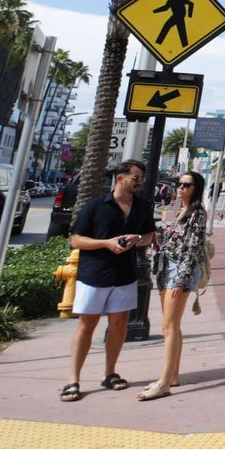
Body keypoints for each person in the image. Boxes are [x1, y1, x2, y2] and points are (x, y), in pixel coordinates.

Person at [62, 159, 153, 401]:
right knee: (87, 326)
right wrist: (106, 243)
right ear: (120, 177)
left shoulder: (143, 207)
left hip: (125, 275)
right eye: (136, 178)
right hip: (95, 275)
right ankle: (73, 380)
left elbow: (149, 235)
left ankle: (110, 373)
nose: (139, 183)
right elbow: (76, 240)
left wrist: (137, 239)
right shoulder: (96, 206)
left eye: (141, 179)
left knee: (119, 325)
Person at [141, 170, 211, 401]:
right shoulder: (178, 210)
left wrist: (182, 279)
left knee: (168, 326)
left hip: (180, 270)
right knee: (173, 326)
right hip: (165, 268)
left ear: (196, 189)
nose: (180, 187)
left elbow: (192, 248)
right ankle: (173, 375)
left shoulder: (197, 214)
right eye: (178, 183)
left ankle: (163, 383)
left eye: (186, 185)